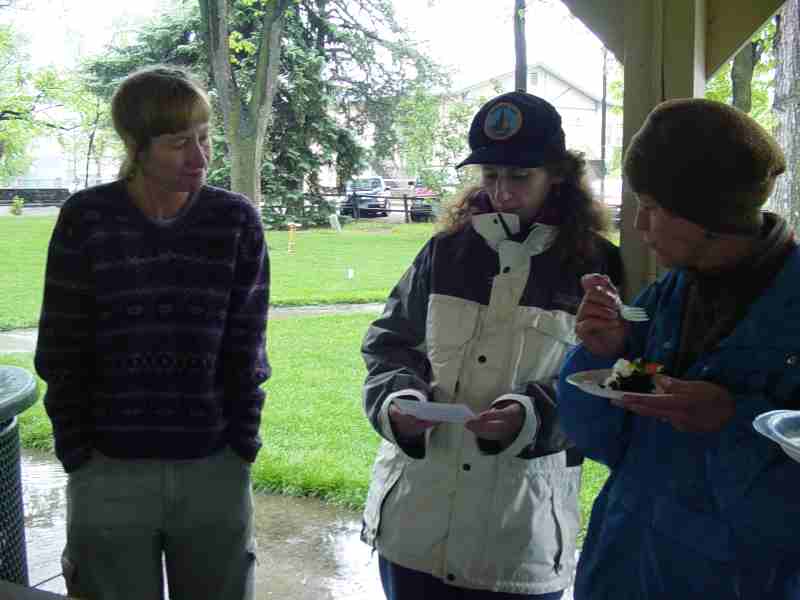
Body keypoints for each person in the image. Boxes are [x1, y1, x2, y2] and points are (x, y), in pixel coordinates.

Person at [360, 91, 623, 599]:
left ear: (558, 175)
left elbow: (609, 385)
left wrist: (533, 416)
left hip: (517, 538)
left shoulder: (599, 266)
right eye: (490, 176)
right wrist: (397, 403)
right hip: (414, 528)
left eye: (519, 177)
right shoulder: (443, 251)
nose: (502, 192)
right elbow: (390, 344)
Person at [34, 65, 270, 600]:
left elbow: (246, 347)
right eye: (178, 143)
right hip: (108, 471)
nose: (200, 158)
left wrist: (241, 446)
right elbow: (61, 348)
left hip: (214, 468)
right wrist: (78, 452)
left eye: (205, 139)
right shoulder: (87, 219)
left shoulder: (234, 222)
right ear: (136, 146)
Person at [558, 98, 800, 599]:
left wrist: (733, 419)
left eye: (651, 208)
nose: (639, 227)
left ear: (707, 215)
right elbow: (606, 439)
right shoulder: (671, 295)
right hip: (624, 566)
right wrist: (606, 353)